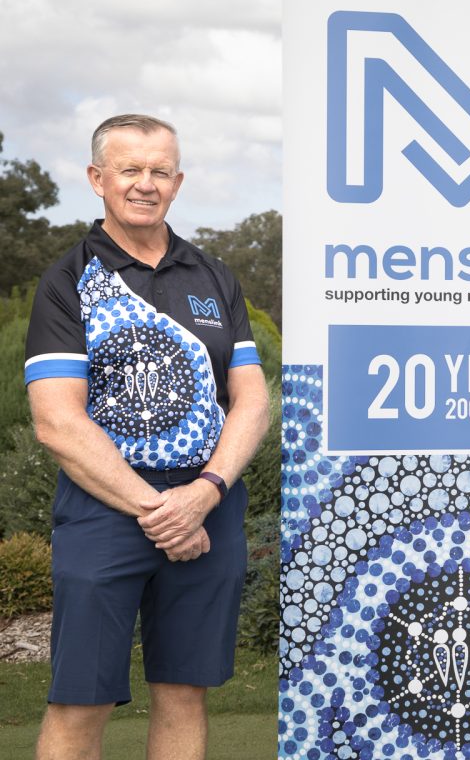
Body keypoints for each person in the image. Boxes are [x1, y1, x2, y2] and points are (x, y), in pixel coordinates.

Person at [24, 114, 270, 760]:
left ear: (179, 181)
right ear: (97, 179)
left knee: (184, 691)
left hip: (208, 505)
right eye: (129, 170)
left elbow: (250, 400)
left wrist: (206, 492)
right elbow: (56, 422)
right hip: (105, 508)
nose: (145, 184)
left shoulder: (215, 276)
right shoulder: (67, 280)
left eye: (160, 171)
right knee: (81, 699)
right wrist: (159, 510)